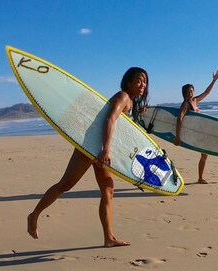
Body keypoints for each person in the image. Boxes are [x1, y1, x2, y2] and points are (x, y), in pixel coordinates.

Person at [27, 67, 149, 247]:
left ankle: (109, 237)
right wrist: (106, 149)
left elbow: (123, 133)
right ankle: (34, 215)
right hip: (91, 146)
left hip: (102, 150)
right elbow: (110, 119)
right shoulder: (123, 96)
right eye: (138, 80)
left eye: (144, 81)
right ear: (129, 82)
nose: (142, 85)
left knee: (108, 191)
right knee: (65, 185)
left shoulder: (131, 102)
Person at [174, 70, 218, 184]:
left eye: (191, 91)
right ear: (184, 93)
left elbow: (206, 92)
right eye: (188, 92)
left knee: (214, 146)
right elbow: (179, 119)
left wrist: (214, 80)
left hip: (203, 131)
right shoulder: (185, 105)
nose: (190, 94)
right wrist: (177, 137)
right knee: (206, 154)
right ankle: (201, 177)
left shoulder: (194, 100)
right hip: (198, 134)